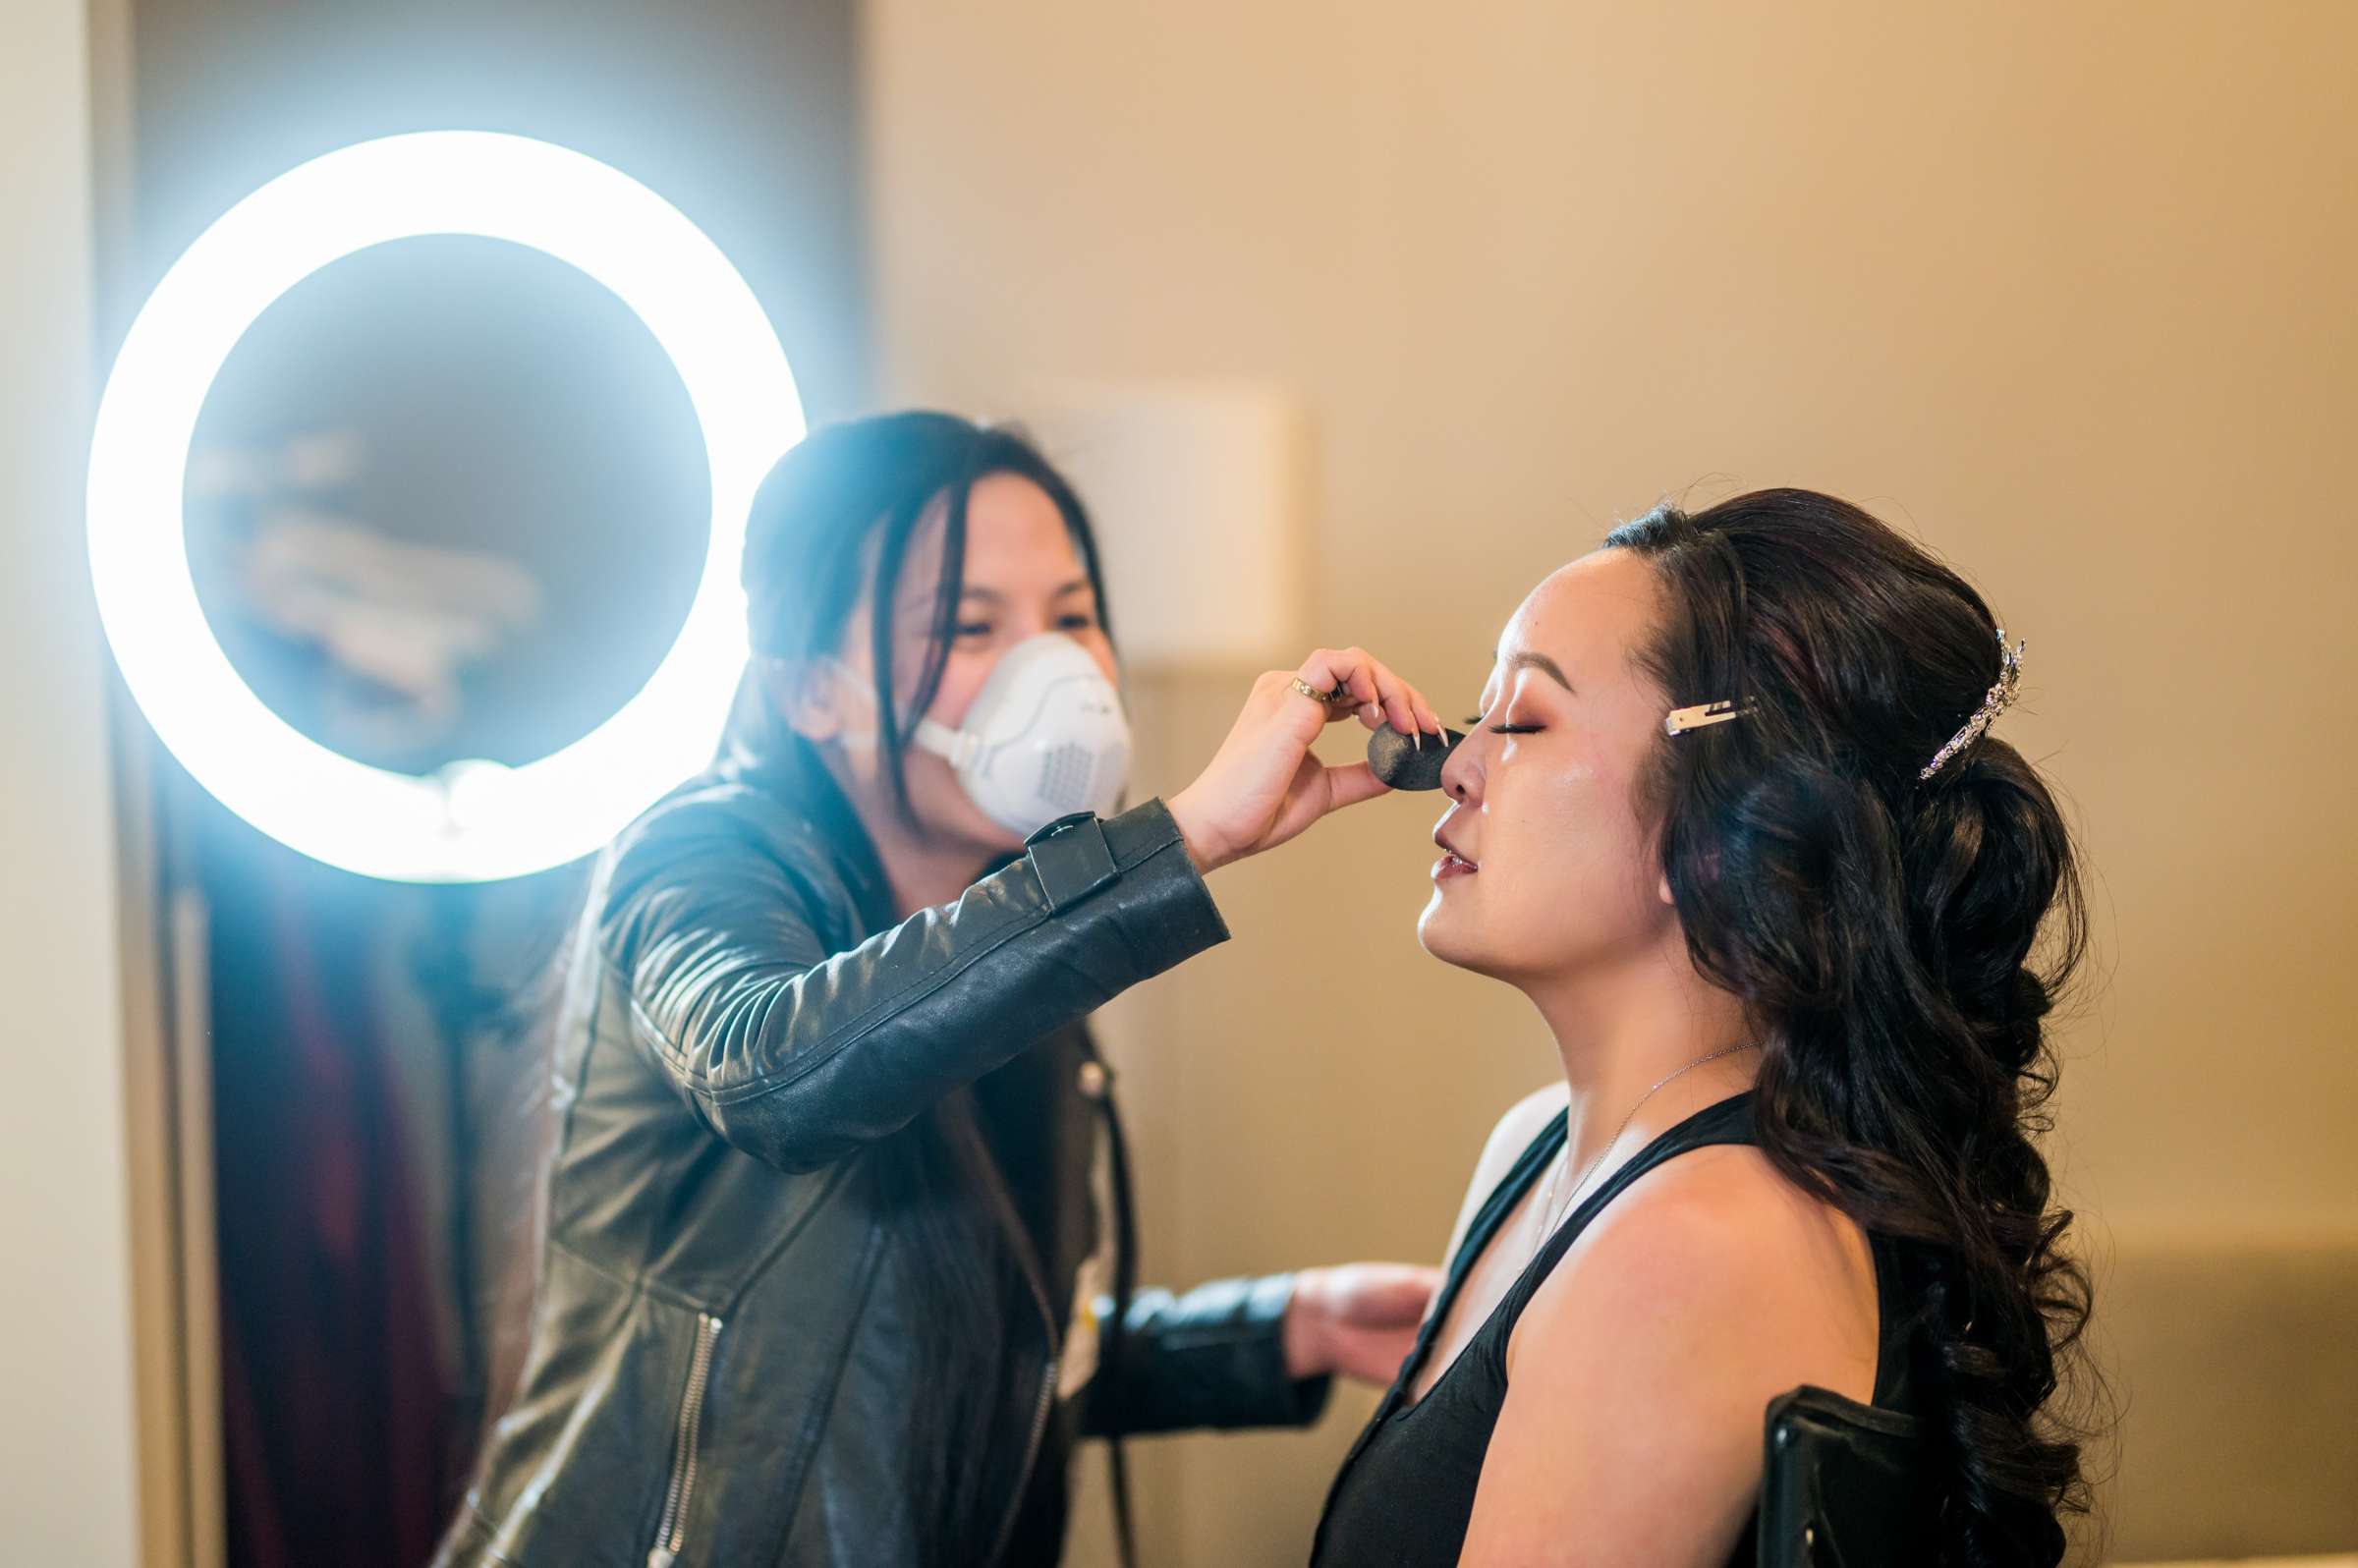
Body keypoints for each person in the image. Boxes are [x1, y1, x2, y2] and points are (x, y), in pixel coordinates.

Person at [433, 412, 1442, 1568]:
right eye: (969, 626)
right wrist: (1185, 841)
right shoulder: (698, 857)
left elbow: (962, 1347)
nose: (1050, 666)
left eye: (1072, 618)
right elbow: (773, 1073)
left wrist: (1281, 1330)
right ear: (811, 688)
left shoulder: (1019, 917)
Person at [1311, 490, 2098, 1567]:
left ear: (1725, 829)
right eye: (1477, 713)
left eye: (1526, 722)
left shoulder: (1695, 1248)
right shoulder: (1535, 1147)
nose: (1451, 763)